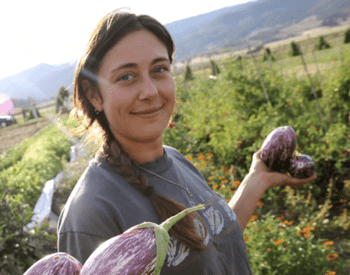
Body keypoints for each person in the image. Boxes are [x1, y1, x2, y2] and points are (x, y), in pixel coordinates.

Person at [56, 9, 317, 274]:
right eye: (126, 76)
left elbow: (213, 242)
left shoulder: (175, 160)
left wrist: (257, 179)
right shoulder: (91, 214)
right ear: (95, 95)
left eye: (159, 70)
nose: (150, 91)